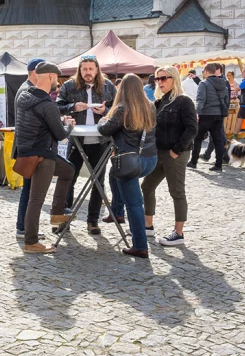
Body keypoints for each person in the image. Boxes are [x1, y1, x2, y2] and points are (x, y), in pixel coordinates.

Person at [15, 62, 75, 253]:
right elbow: (59, 134)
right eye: (56, 77)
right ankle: (31, 242)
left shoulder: (24, 96)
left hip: (26, 153)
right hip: (42, 156)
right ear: (50, 76)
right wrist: (69, 125)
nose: (58, 81)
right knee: (36, 199)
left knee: (68, 170)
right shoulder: (47, 103)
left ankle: (57, 213)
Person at [97, 74, 158, 259]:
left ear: (122, 89)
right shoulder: (150, 105)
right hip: (149, 159)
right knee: (115, 178)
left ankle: (140, 246)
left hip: (129, 161)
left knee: (134, 204)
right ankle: (116, 211)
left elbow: (104, 129)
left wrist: (102, 119)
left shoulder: (122, 108)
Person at [57, 55, 117, 234]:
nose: (88, 72)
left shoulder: (108, 86)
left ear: (97, 69)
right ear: (79, 70)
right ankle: (64, 220)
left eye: (91, 69)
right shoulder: (69, 85)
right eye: (84, 69)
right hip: (76, 139)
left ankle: (93, 221)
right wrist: (73, 107)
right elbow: (57, 107)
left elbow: (118, 109)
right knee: (68, 178)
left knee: (97, 181)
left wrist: (105, 110)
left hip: (101, 140)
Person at [139, 66, 197, 247]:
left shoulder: (183, 101)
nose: (160, 82)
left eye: (164, 78)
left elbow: (192, 129)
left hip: (176, 153)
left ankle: (178, 233)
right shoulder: (159, 102)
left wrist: (176, 150)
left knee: (177, 192)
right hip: (159, 152)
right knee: (147, 186)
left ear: (174, 79)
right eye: (157, 79)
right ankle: (148, 226)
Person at [14, 57, 43, 238]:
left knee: (29, 189)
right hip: (29, 147)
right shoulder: (28, 90)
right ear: (35, 73)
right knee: (30, 190)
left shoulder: (26, 88)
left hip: (27, 146)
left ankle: (23, 227)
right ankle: (23, 228)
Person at [188, 63, 229, 172]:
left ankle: (193, 162)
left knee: (198, 138)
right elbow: (226, 100)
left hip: (206, 115)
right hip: (218, 115)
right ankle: (218, 164)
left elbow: (200, 100)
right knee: (218, 140)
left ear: (206, 72)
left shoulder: (204, 83)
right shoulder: (223, 83)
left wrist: (197, 113)